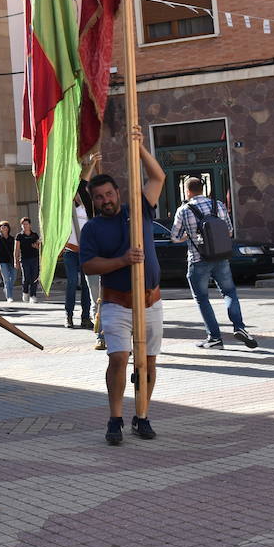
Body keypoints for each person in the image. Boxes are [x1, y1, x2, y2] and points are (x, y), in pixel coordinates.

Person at [80, 141, 166, 445]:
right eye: (99, 197)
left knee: (149, 362)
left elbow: (158, 177)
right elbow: (89, 265)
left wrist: (139, 148)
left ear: (118, 193)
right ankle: (115, 418)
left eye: (110, 194)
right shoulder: (91, 229)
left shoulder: (138, 210)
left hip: (151, 301)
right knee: (118, 359)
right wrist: (121, 260)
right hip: (118, 303)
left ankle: (142, 415)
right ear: (94, 201)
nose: (106, 200)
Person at [171, 177, 258, 351]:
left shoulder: (183, 210)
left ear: (187, 191)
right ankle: (239, 327)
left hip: (198, 259)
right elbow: (230, 231)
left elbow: (174, 237)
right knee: (229, 292)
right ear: (202, 189)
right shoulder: (217, 205)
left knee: (202, 299)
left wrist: (189, 236)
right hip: (221, 256)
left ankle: (215, 338)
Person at [62, 187, 94, 330]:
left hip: (85, 253)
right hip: (71, 252)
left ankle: (86, 317)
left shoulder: (86, 211)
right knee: (72, 282)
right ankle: (68, 315)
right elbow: (62, 236)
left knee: (87, 284)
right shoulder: (67, 211)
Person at [15, 217, 41, 303]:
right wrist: (16, 261)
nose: (25, 226)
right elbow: (17, 249)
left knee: (34, 277)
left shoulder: (35, 235)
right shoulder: (19, 236)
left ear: (30, 225)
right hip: (24, 259)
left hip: (34, 258)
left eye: (26, 224)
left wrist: (36, 247)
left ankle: (33, 295)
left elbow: (39, 248)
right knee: (26, 278)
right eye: (23, 224)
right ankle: (25, 292)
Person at [0, 220, 17, 303]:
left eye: (5, 226)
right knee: (6, 279)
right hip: (2, 261)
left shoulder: (12, 239)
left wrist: (17, 260)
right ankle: (9, 297)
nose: (3, 228)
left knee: (13, 278)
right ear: (0, 229)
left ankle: (6, 289)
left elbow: (16, 250)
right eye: (1, 226)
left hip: (12, 261)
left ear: (8, 228)